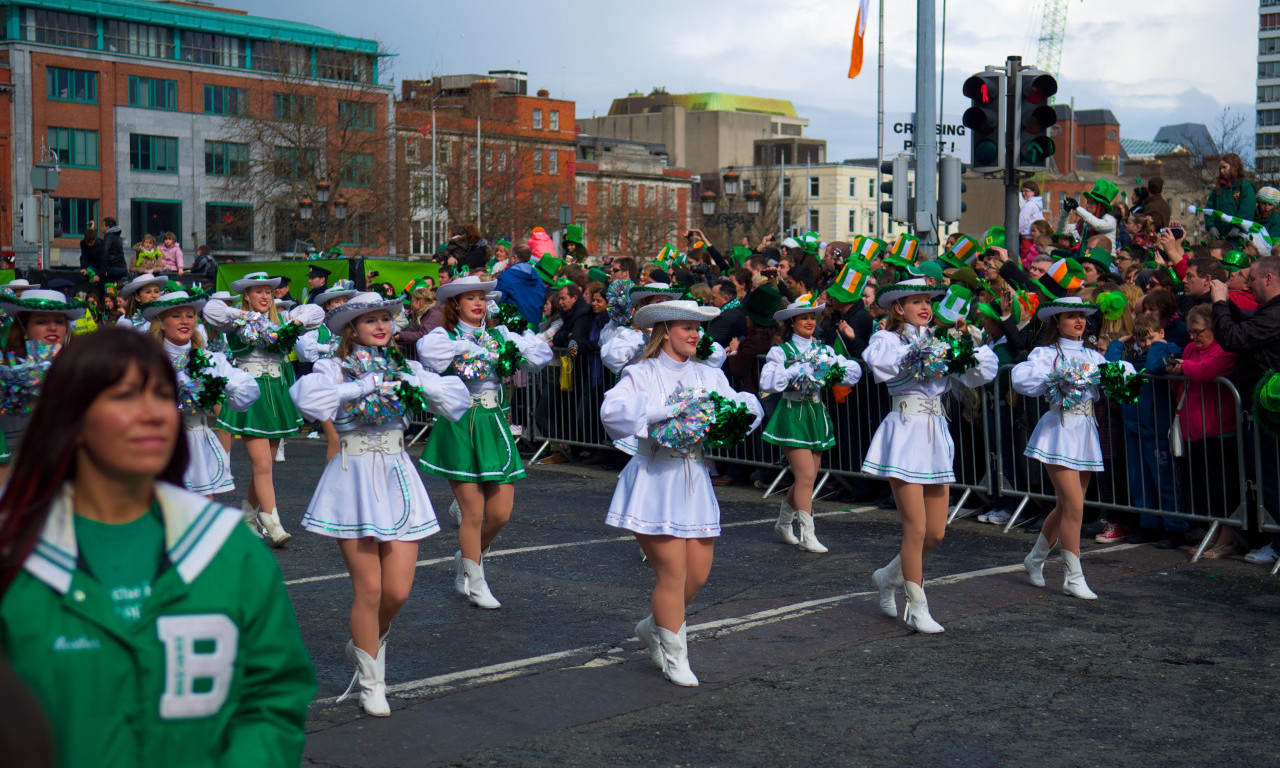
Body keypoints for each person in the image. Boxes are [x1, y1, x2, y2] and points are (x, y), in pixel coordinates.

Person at [0, 328, 315, 766]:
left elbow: (272, 698)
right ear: (69, 419)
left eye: (164, 396)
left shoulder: (230, 550)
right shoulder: (14, 553)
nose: (153, 414)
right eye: (125, 396)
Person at [291, 293, 469, 717]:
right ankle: (373, 681)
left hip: (396, 474)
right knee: (368, 589)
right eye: (370, 320)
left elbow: (455, 403)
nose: (381, 326)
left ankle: (363, 642)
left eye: (385, 319)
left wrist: (420, 383)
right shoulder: (332, 367)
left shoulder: (406, 367)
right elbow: (309, 401)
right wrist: (361, 385)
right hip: (353, 477)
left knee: (397, 590)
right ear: (352, 329)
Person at [600, 300, 763, 686]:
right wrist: (663, 410)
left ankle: (653, 624)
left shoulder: (708, 375)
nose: (694, 334)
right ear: (665, 331)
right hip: (654, 478)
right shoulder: (641, 372)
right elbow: (613, 413)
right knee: (672, 573)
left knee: (698, 574)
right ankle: (675, 656)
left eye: (698, 328)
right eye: (686, 327)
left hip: (694, 475)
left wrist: (726, 418)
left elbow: (740, 410)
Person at [863, 278, 998, 633]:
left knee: (936, 533)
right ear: (898, 307)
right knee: (916, 528)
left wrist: (967, 346)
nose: (925, 307)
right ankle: (918, 605)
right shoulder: (887, 338)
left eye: (928, 301)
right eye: (916, 301)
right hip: (905, 431)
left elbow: (980, 374)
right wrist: (921, 352)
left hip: (936, 433)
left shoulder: (940, 340)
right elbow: (881, 363)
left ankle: (887, 576)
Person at [416, 276, 553, 608]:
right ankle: (476, 581)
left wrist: (515, 345)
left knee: (501, 513)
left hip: (494, 424)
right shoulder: (444, 336)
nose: (478, 303)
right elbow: (429, 356)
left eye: (482, 297)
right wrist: (468, 345)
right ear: (456, 305)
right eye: (470, 298)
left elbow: (540, 356)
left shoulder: (499, 335)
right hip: (461, 426)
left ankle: (467, 556)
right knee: (472, 513)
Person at [1012, 297, 1133, 599]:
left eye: (1081, 316)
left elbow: (1117, 379)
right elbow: (1023, 379)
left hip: (1085, 432)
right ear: (1057, 322)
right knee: (1076, 504)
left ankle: (1036, 558)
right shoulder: (1046, 354)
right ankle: (1073, 575)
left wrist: (1119, 376)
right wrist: (1056, 378)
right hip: (1058, 431)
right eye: (1070, 316)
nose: (1078, 321)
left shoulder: (1094, 357)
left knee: (1067, 505)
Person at [202, 272, 324, 547]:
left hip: (276, 393)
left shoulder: (280, 320)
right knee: (262, 464)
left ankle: (247, 518)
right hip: (252, 394)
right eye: (258, 291)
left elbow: (316, 312)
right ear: (246, 295)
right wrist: (244, 315)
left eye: (268, 291)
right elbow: (211, 309)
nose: (265, 296)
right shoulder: (235, 321)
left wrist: (297, 320)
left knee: (266, 465)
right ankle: (273, 521)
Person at [760, 294, 862, 552]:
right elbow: (768, 383)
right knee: (805, 476)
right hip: (792, 413)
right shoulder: (780, 352)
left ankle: (783, 523)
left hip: (816, 412)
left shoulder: (824, 350)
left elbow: (850, 373)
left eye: (811, 317)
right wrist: (796, 370)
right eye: (803, 317)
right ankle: (808, 534)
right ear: (792, 322)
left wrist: (833, 369)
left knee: (808, 477)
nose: (808, 321)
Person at [145, 290, 260, 497]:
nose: (185, 321)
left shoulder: (210, 359)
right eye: (176, 315)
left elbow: (246, 395)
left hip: (197, 444)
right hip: (157, 443)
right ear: (161, 322)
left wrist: (223, 382)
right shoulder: (148, 359)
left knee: (203, 514)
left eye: (190, 316)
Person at [1210, 257, 1280, 563]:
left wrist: (1220, 304)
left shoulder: (1277, 313)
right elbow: (1246, 324)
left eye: (1251, 278)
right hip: (1262, 410)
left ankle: (1278, 543)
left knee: (1272, 477)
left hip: (1270, 413)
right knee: (1265, 476)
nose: (1247, 284)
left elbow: (1235, 337)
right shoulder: (1269, 312)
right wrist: (1220, 302)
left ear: (1268, 278)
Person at [1167, 304, 1246, 558]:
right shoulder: (1191, 348)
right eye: (1190, 331)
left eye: (1198, 331)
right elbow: (1182, 383)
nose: (1192, 337)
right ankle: (1214, 531)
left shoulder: (1225, 348)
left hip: (1221, 431)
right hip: (1195, 431)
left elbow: (1206, 371)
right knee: (1204, 489)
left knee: (1224, 488)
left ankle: (1228, 537)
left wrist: (1184, 368)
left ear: (1213, 328)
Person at [0, 289, 84, 473]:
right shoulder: (6, 375)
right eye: (41, 321)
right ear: (24, 330)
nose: (53, 327)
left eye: (59, 322)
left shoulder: (82, 370)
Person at [1204, 153, 1256, 239]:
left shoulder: (1245, 187)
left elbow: (1247, 210)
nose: (1221, 171)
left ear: (1234, 167)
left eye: (1224, 167)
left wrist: (1238, 227)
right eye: (1220, 168)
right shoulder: (1218, 188)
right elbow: (1209, 209)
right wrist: (1211, 227)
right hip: (1218, 236)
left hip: (1238, 236)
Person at [1019, 180, 1045, 255]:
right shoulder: (1038, 204)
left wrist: (1014, 233)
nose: (1024, 194)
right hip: (1036, 237)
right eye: (1022, 191)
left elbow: (1022, 222)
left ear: (1034, 192)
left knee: (1025, 260)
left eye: (1026, 191)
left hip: (1027, 238)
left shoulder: (1029, 205)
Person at [79, 222, 106, 289]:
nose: (89, 244)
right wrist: (83, 268)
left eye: (91, 242)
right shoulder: (83, 244)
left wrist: (98, 275)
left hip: (98, 267)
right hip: (89, 265)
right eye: (87, 242)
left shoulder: (101, 245)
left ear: (95, 239)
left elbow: (103, 262)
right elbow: (83, 256)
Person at [101, 216, 127, 281]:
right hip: (122, 267)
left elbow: (105, 252)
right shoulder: (118, 236)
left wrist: (105, 268)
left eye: (103, 225)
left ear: (108, 227)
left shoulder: (108, 236)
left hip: (113, 267)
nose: (101, 227)